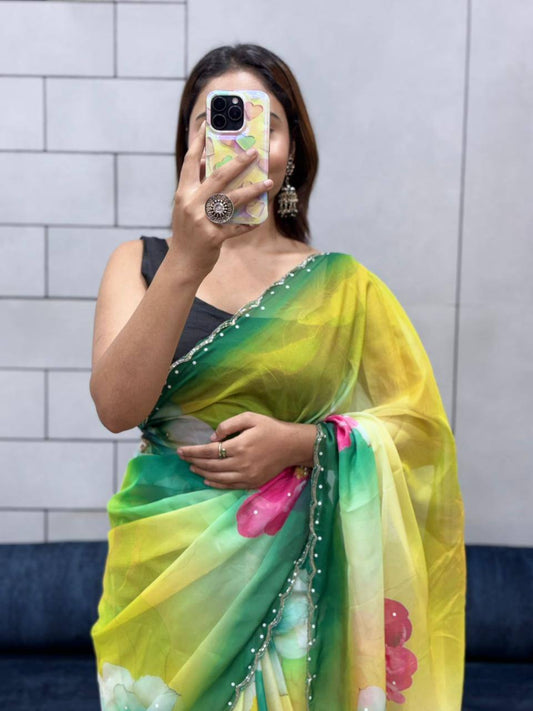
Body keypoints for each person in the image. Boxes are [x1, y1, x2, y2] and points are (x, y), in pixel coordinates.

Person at [89, 44, 466, 711]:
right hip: (168, 588)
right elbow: (117, 408)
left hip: (300, 584)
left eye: (265, 123)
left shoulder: (341, 285)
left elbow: (417, 431)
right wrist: (186, 259)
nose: (242, 142)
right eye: (215, 120)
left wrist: (304, 444)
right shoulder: (140, 261)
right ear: (189, 145)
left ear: (292, 151)